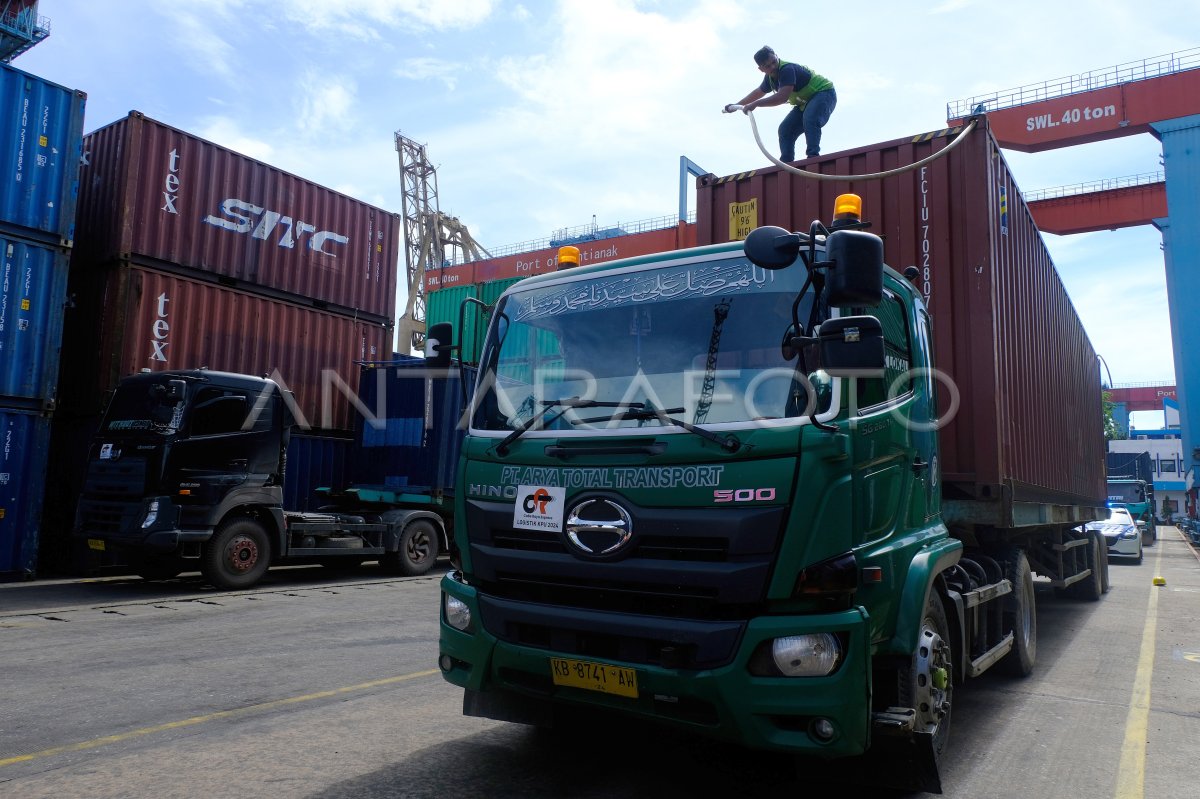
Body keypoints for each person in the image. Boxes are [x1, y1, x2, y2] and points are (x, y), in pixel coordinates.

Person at [725, 46, 837, 161]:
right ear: (761, 69)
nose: (773, 67)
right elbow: (758, 92)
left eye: (774, 62)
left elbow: (781, 98)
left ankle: (813, 158)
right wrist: (736, 105)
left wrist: (756, 104)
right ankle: (786, 165)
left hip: (823, 93)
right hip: (805, 102)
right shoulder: (769, 78)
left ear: (776, 56)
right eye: (768, 66)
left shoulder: (786, 69)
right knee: (785, 129)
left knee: (810, 118)